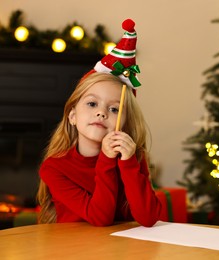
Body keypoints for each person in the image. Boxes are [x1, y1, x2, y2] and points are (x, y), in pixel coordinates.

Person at [36, 19, 161, 227]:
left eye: (114, 109)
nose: (102, 113)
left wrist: (129, 165)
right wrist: (106, 159)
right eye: (92, 104)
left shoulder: (134, 157)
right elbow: (99, 218)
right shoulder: (54, 168)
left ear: (125, 122)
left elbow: (149, 219)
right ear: (72, 115)